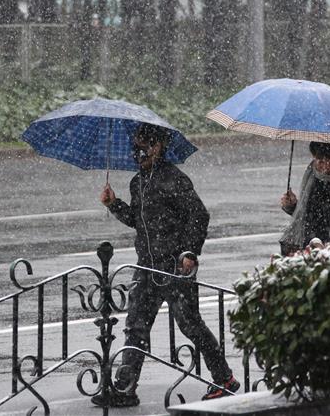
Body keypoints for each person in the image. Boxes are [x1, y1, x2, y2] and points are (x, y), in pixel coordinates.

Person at [95, 123, 238, 407]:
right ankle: (125, 387)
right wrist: (114, 205)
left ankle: (224, 380)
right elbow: (139, 221)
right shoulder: (138, 182)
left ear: (159, 147)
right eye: (136, 146)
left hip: (174, 267)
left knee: (190, 325)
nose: (139, 152)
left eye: (145, 146)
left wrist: (189, 253)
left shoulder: (174, 179)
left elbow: (199, 216)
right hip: (146, 266)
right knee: (136, 326)